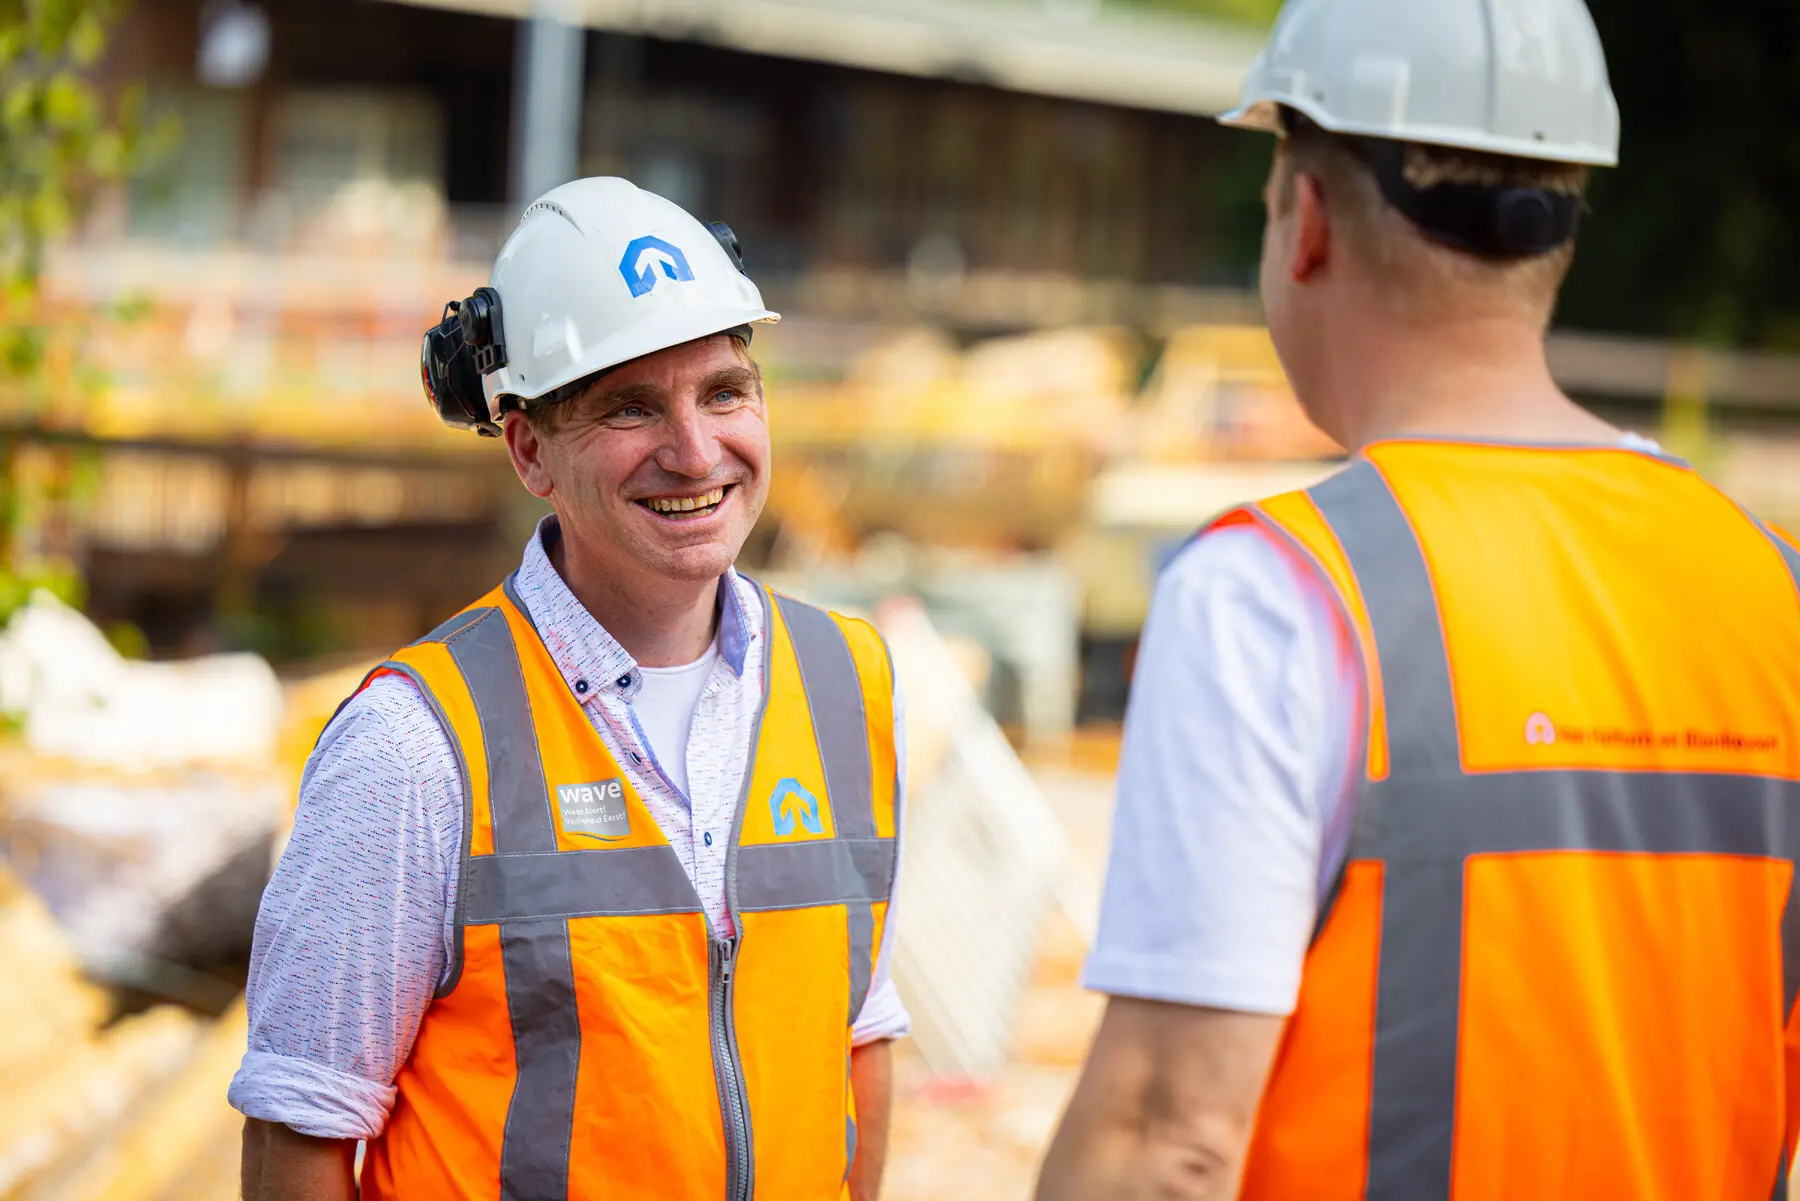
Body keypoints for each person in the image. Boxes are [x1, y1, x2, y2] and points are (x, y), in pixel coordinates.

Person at [1037, 1, 1800, 1198]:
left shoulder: (1275, 595)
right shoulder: (1772, 586)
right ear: (1560, 227)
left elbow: (1169, 1139)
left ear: (1311, 223)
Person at [231, 177, 909, 1201]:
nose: (695, 450)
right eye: (630, 406)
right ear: (530, 449)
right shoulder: (417, 745)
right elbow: (302, 1130)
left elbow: (856, 1038)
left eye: (725, 390)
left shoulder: (843, 680)